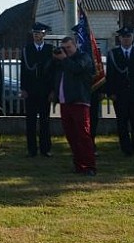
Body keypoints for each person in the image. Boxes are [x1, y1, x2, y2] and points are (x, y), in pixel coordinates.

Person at [52, 36, 97, 175]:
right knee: (71, 135)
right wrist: (55, 59)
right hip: (65, 102)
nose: (66, 51)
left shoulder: (83, 57)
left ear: (75, 45)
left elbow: (77, 69)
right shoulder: (62, 61)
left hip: (79, 101)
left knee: (83, 135)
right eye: (63, 48)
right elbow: (50, 72)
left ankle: (89, 166)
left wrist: (64, 59)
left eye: (68, 47)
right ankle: (78, 165)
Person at [104, 27, 134, 156]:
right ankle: (126, 149)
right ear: (119, 38)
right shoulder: (113, 54)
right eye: (123, 37)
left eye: (128, 36)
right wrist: (111, 92)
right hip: (120, 95)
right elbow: (110, 75)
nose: (126, 39)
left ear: (133, 37)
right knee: (122, 123)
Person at [20, 22, 55, 157]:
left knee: (45, 121)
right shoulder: (27, 50)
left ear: (44, 34)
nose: (36, 35)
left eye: (39, 33)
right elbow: (23, 70)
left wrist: (53, 90)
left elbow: (53, 72)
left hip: (45, 91)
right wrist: (23, 88)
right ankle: (32, 149)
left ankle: (45, 148)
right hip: (30, 91)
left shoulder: (49, 49)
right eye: (34, 33)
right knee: (31, 121)